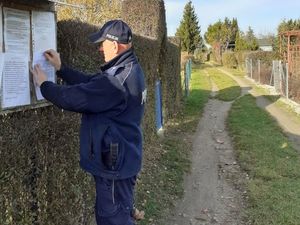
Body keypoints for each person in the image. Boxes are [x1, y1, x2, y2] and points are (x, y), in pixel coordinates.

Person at [31, 19, 146, 225]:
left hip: (114, 167)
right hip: (124, 160)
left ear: (114, 45)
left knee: (111, 219)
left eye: (102, 43)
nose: (100, 49)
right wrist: (61, 68)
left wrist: (44, 85)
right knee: (120, 212)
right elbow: (91, 84)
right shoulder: (129, 69)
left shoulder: (116, 81)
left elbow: (75, 97)